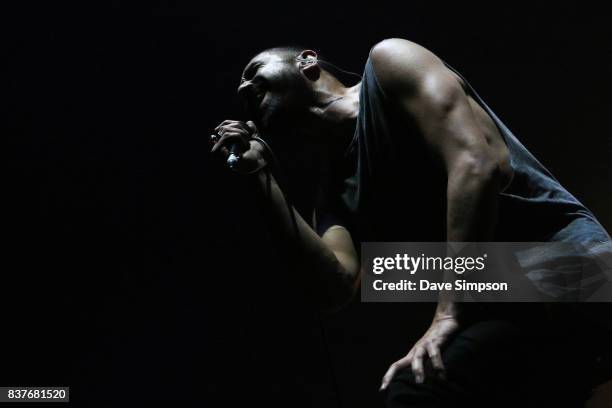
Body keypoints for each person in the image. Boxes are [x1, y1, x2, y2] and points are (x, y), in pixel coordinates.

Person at [210, 39, 612, 407]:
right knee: (398, 283)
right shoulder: (332, 190)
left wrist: (449, 313)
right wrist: (261, 180)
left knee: (417, 376)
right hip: (499, 295)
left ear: (308, 62)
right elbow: (335, 288)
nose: (244, 89)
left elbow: (478, 165)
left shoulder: (389, 64)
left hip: (578, 267)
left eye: (253, 72)